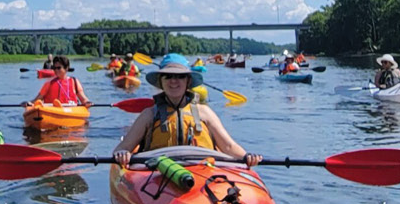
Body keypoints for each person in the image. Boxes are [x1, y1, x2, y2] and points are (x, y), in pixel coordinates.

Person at [112, 54, 261, 167]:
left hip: (203, 173)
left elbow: (228, 146)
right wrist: (123, 154)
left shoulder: (205, 113)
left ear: (188, 81)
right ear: (161, 82)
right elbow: (122, 148)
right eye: (168, 76)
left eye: (180, 76)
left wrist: (247, 157)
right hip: (157, 175)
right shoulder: (149, 115)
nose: (173, 81)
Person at [27, 55, 92, 106]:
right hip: (52, 110)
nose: (56, 70)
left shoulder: (74, 82)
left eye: (59, 68)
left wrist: (87, 103)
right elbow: (37, 99)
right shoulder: (49, 83)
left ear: (66, 68)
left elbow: (83, 99)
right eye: (54, 68)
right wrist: (29, 103)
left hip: (71, 109)